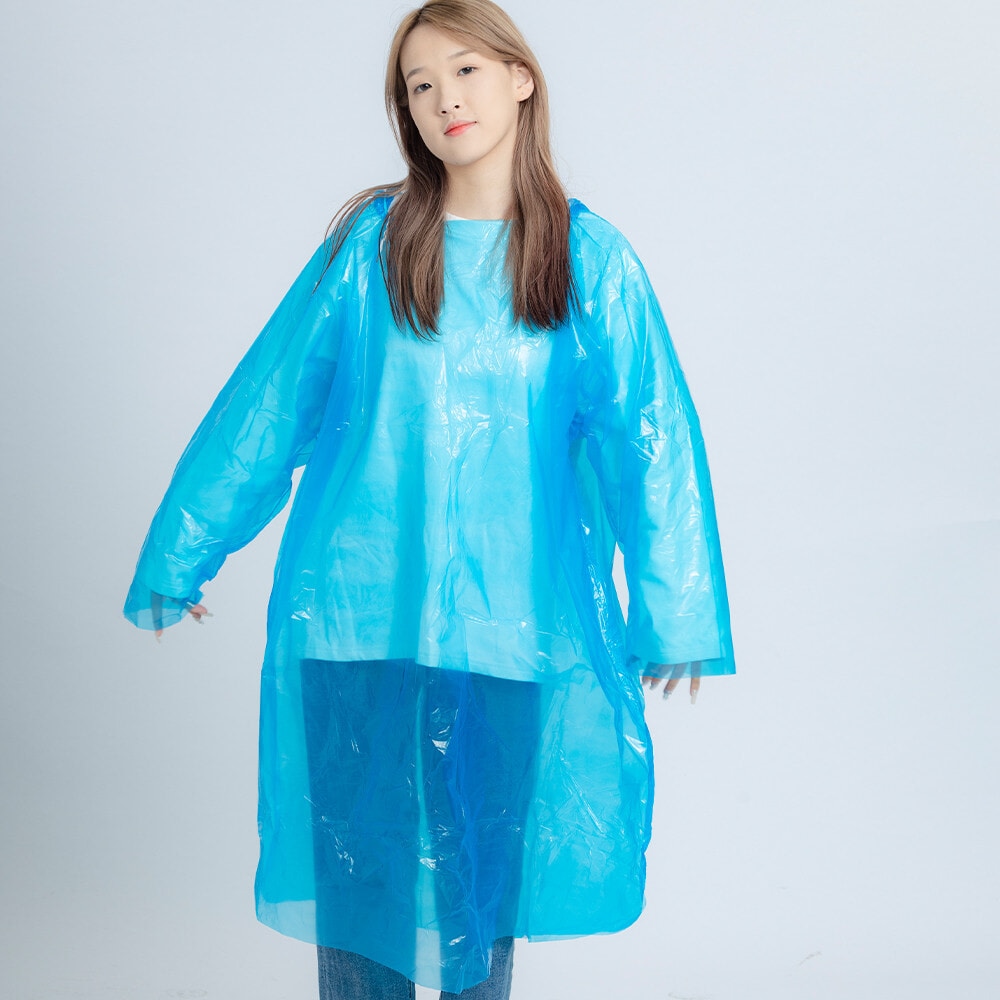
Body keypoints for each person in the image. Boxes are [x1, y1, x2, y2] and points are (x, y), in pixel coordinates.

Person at [123, 1, 735, 997]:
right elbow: (269, 405)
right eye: (419, 84)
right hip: (356, 624)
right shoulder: (371, 252)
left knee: (474, 913)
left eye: (465, 70)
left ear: (521, 78)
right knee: (359, 911)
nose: (444, 98)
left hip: (508, 632)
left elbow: (650, 440)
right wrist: (179, 553)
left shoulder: (588, 263)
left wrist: (677, 613)